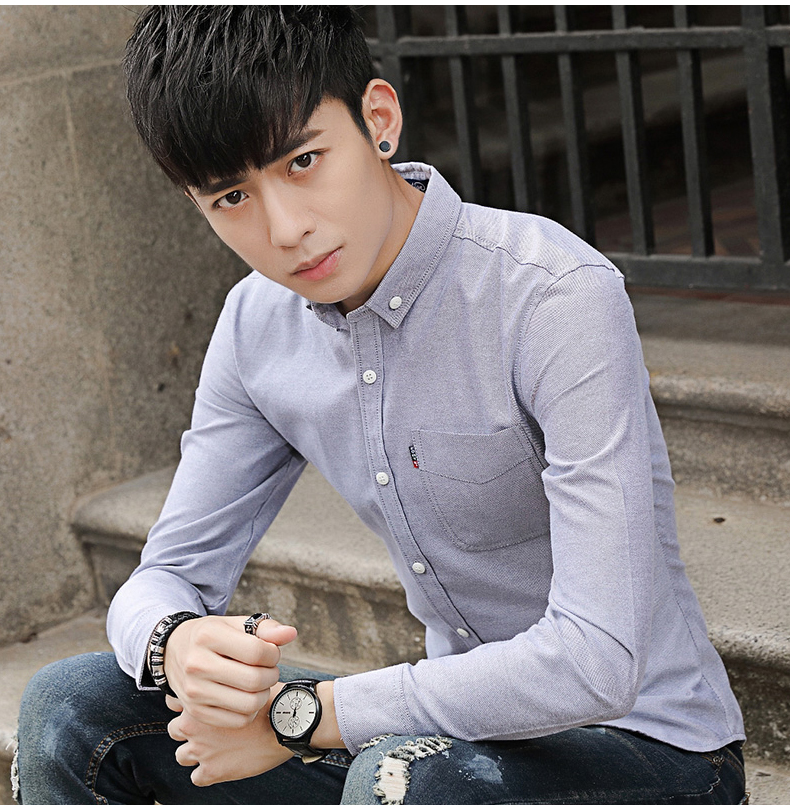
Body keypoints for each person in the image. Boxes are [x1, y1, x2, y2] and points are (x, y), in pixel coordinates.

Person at [16, 6, 747, 805]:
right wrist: (176, 641)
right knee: (74, 707)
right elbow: (164, 575)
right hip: (442, 743)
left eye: (303, 161)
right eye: (231, 197)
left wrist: (305, 716)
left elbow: (596, 660)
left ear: (379, 120)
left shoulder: (551, 295)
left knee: (400, 779)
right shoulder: (257, 326)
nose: (285, 229)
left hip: (649, 747)